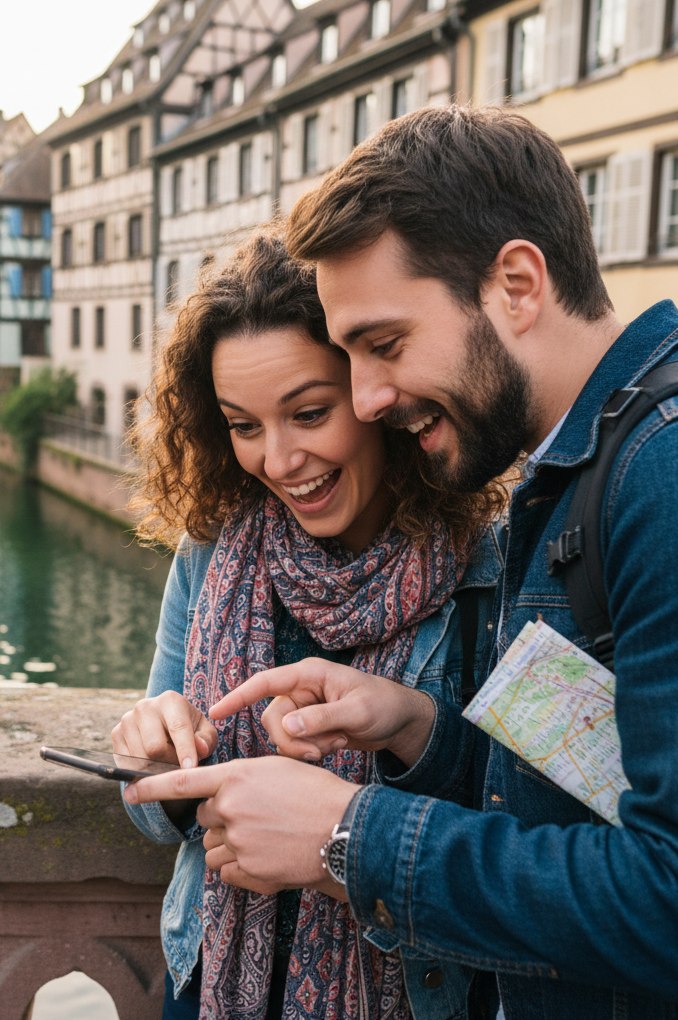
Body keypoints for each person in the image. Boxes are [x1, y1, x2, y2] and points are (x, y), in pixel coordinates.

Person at [123, 106, 678, 1019]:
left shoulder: (653, 470)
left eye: (382, 347)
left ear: (517, 284)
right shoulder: (572, 477)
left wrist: (347, 833)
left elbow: (662, 894)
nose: (372, 397)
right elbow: (568, 794)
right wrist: (419, 724)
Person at [114, 228, 506, 1020]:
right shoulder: (210, 555)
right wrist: (151, 749)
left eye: (309, 412)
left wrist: (412, 731)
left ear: (374, 395)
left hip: (413, 989)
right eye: (244, 424)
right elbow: (156, 811)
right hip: (214, 979)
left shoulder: (487, 564)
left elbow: (518, 822)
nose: (280, 459)